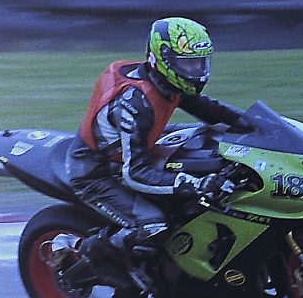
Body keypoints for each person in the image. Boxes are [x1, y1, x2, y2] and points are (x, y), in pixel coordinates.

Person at [66, 17, 245, 283]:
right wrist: (192, 184)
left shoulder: (168, 82)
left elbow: (211, 110)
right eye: (187, 63)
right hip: (97, 171)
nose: (195, 71)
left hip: (138, 148)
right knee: (154, 226)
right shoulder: (134, 105)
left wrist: (256, 124)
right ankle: (88, 255)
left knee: (211, 143)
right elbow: (136, 174)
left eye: (199, 63)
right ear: (162, 59)